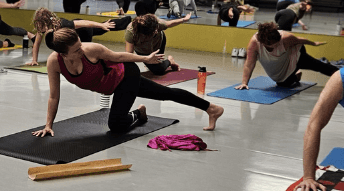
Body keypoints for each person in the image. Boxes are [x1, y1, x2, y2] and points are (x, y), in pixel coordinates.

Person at [32, 28, 225, 137]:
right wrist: (49, 125)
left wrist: (145, 59)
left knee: (116, 125)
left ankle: (138, 114)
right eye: (76, 50)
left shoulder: (92, 49)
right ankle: (212, 108)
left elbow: (118, 56)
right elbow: (53, 96)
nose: (81, 50)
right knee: (165, 93)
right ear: (63, 54)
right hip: (114, 84)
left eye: (80, 45)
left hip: (126, 75)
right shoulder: (54, 63)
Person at [234, 22, 337, 89]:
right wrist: (244, 83)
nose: (276, 45)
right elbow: (249, 64)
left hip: (295, 55)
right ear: (264, 43)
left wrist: (313, 43)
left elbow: (299, 40)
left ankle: (343, 76)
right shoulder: (254, 43)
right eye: (274, 44)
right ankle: (296, 73)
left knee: (318, 66)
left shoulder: (285, 37)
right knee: (282, 84)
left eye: (277, 42)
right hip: (283, 61)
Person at [28, 8, 131, 65]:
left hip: (83, 31)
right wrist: (34, 60)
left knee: (101, 30)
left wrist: (101, 25)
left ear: (47, 23)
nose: (40, 28)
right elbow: (36, 44)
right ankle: (125, 21)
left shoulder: (63, 24)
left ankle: (127, 22)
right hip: (74, 33)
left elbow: (84, 23)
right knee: (101, 29)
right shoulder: (42, 28)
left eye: (42, 25)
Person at [125, 13, 190, 75]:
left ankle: (170, 60)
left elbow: (170, 23)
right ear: (145, 34)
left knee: (159, 70)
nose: (156, 31)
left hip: (158, 43)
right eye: (154, 31)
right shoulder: (131, 32)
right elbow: (129, 55)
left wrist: (184, 19)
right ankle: (168, 61)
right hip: (143, 50)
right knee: (157, 70)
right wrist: (146, 59)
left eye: (156, 29)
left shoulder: (157, 23)